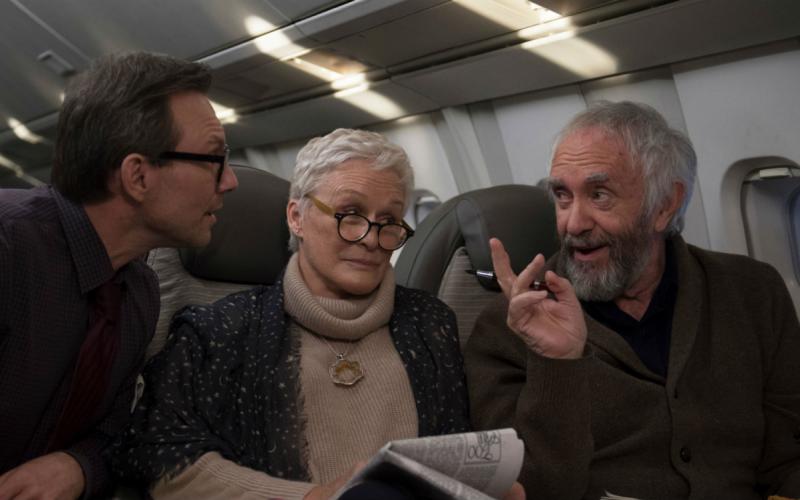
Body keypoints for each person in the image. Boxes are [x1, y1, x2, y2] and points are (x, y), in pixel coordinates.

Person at [112, 128, 488, 499]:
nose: (371, 239)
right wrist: (312, 498)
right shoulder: (218, 331)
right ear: (297, 217)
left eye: (388, 221)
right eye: (350, 214)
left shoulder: (430, 323)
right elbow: (161, 455)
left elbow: (453, 451)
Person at [465, 101, 800, 499]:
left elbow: (788, 455)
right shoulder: (506, 328)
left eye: (599, 195)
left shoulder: (752, 292)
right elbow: (530, 490)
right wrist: (555, 365)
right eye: (562, 196)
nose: (574, 223)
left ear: (664, 205)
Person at [0, 52, 239, 499]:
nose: (230, 182)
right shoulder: (9, 248)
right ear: (137, 176)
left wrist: (79, 465)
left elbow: (114, 431)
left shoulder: (138, 290)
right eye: (214, 159)